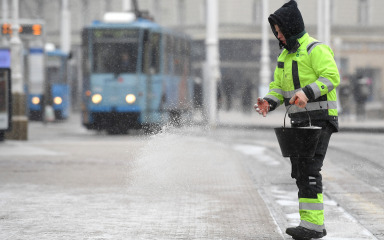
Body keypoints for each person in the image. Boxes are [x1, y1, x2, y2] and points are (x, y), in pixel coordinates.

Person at [254, 1, 340, 239]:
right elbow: (278, 88)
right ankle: (310, 223)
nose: (278, 35)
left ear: (291, 27)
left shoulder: (315, 49)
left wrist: (307, 92)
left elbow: (332, 76)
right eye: (276, 32)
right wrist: (269, 102)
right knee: (301, 171)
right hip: (300, 122)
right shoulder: (285, 56)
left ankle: (312, 225)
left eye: (280, 30)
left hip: (321, 118)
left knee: (310, 168)